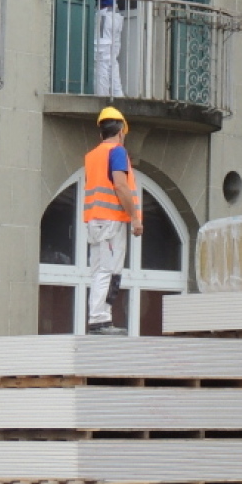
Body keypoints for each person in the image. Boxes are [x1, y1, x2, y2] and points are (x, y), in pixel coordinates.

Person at [81, 106, 142, 335]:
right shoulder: (117, 152)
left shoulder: (92, 156)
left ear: (101, 133)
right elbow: (120, 184)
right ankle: (100, 320)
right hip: (112, 221)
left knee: (98, 271)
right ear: (121, 132)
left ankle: (98, 318)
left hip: (94, 221)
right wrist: (135, 217)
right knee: (110, 272)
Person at [93, 0, 123, 97]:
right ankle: (117, 95)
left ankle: (102, 96)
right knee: (111, 59)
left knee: (100, 57)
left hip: (105, 13)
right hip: (115, 14)